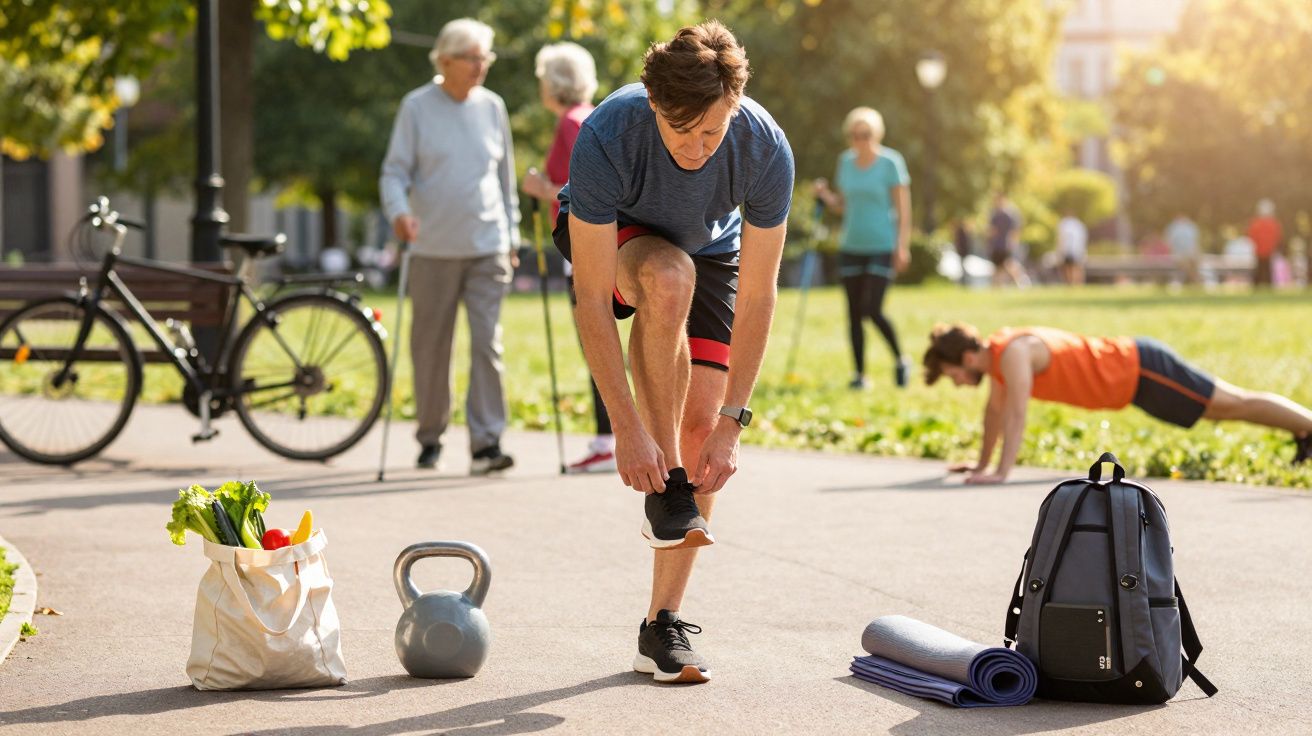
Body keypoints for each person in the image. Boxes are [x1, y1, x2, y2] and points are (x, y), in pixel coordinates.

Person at [555, 21, 793, 683]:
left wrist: (731, 426)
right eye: (679, 130)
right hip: (620, 234)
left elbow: (759, 297)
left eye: (711, 132)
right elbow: (591, 301)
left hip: (710, 247)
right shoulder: (609, 134)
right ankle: (669, 491)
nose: (696, 147)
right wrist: (626, 429)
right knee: (666, 281)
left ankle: (662, 625)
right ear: (653, 103)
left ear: (735, 109)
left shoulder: (763, 147)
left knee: (700, 427)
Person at [922, 322, 1312, 483]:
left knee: (1233, 404)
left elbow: (1016, 411)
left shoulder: (1013, 354)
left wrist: (1001, 473)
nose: (956, 384)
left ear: (968, 358)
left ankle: (1307, 424)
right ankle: (1303, 429)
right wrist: (982, 464)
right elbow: (994, 413)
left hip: (1139, 368)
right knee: (1226, 408)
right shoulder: (1000, 364)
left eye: (952, 374)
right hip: (1134, 384)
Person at [380, 18, 517, 475]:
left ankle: (486, 443)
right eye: (473, 58)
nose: (482, 66)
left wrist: (512, 236)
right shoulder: (417, 107)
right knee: (431, 347)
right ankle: (430, 436)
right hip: (432, 248)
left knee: (487, 345)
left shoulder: (493, 107)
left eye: (486, 57)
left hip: (487, 246)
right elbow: (394, 172)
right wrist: (399, 212)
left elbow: (505, 180)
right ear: (445, 60)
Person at [521, 42, 615, 474]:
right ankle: (613, 436)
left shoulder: (572, 122)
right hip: (592, 244)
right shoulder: (593, 114)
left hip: (583, 247)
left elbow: (586, 179)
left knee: (597, 343)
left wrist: (544, 188)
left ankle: (607, 440)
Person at [813, 107, 912, 389]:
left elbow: (903, 210)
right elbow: (845, 205)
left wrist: (901, 246)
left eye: (866, 134)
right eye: (855, 135)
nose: (861, 140)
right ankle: (860, 375)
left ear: (876, 134)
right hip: (851, 245)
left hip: (882, 244)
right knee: (854, 312)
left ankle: (900, 359)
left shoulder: (891, 163)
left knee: (873, 308)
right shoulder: (845, 162)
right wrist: (826, 197)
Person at [988, 193, 1029, 288]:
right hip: (998, 245)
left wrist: (1013, 243)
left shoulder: (1007, 215)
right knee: (1000, 266)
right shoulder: (996, 215)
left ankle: (1020, 282)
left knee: (1007, 264)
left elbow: (1014, 231)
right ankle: (997, 286)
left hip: (1004, 245)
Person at [1247, 198, 1283, 288]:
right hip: (1263, 250)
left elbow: (1252, 236)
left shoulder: (1258, 223)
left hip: (1263, 250)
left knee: (1263, 268)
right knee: (1264, 268)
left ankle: (1260, 284)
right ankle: (1264, 283)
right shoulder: (1271, 223)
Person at [1164, 213, 1200, 285]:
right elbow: (1168, 243)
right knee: (1185, 264)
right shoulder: (1173, 228)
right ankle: (1196, 280)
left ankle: (1195, 280)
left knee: (1192, 263)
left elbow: (1195, 243)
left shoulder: (1191, 228)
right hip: (1177, 255)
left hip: (1190, 254)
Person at [1055, 208, 1087, 286]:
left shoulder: (1064, 224)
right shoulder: (1079, 224)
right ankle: (1075, 284)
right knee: (1075, 267)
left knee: (1070, 268)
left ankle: (1072, 283)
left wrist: (1059, 250)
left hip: (1069, 249)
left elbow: (1061, 239)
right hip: (1076, 249)